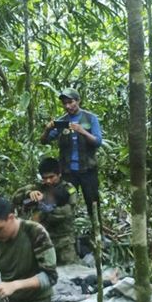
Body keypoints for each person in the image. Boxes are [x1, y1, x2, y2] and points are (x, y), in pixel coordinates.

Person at [40, 88, 103, 218]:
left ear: (78, 101)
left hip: (88, 171)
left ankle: (97, 228)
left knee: (93, 202)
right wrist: (47, 129)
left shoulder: (90, 118)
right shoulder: (62, 121)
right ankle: (67, 228)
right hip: (68, 172)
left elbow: (97, 142)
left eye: (70, 102)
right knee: (65, 201)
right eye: (65, 103)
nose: (68, 106)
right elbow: (44, 141)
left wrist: (82, 131)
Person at [12, 157, 78, 265]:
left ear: (59, 174)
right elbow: (16, 197)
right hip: (41, 241)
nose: (48, 181)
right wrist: (29, 193)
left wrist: (45, 207)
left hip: (63, 241)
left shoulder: (68, 189)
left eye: (51, 177)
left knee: (70, 270)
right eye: (44, 178)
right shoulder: (39, 187)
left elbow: (67, 212)